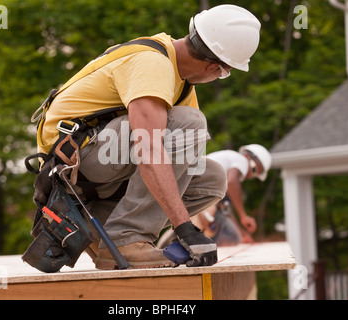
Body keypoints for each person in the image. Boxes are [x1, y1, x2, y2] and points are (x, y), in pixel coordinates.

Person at [35, 5, 261, 269]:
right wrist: (184, 228)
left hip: (100, 161)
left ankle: (100, 233)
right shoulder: (152, 64)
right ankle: (126, 238)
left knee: (211, 178)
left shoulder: (181, 81)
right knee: (191, 123)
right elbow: (149, 149)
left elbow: (182, 165)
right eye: (226, 72)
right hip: (69, 160)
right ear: (214, 68)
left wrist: (198, 229)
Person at [193, 145, 272, 246]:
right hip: (197, 193)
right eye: (253, 169)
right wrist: (243, 215)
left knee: (234, 236)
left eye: (255, 174)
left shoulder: (225, 174)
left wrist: (242, 234)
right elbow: (232, 181)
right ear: (247, 156)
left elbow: (226, 210)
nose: (250, 175)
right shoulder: (241, 160)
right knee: (226, 233)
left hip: (196, 192)